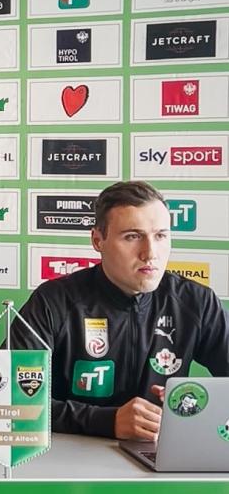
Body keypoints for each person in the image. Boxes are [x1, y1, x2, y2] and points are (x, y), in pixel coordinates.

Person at [12, 181, 229, 441]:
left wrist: (193, 404)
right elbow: (8, 398)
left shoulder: (196, 302)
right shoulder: (53, 301)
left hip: (162, 458)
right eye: (132, 236)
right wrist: (107, 420)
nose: (150, 253)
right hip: (68, 458)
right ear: (97, 240)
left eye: (161, 235)